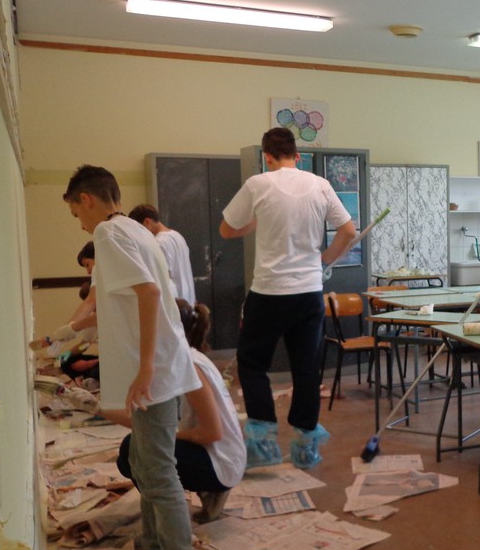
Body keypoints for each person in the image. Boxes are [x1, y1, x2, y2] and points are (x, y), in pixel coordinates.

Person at [62, 164, 202, 550]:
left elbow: (147, 293)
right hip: (156, 367)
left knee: (158, 473)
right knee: (144, 465)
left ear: (86, 199)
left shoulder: (108, 233)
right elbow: (112, 304)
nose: (79, 224)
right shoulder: (135, 230)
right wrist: (61, 337)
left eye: (75, 213)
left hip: (155, 371)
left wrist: (145, 368)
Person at [219, 127, 356, 469]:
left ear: (266, 157)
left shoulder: (258, 184)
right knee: (307, 368)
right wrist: (325, 259)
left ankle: (263, 442)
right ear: (297, 156)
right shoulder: (320, 184)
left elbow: (226, 229)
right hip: (308, 293)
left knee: (253, 364)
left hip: (269, 292)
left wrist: (255, 223)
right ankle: (305, 447)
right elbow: (348, 231)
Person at [110, 299, 246, 524]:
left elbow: (212, 433)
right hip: (210, 452)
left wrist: (167, 436)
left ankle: (174, 516)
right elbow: (144, 421)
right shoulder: (180, 359)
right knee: (134, 448)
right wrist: (92, 406)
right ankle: (171, 510)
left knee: (136, 448)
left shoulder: (187, 364)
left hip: (221, 461)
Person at [128, 204, 196, 306]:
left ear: (147, 222)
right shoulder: (178, 236)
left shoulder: (158, 243)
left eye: (138, 229)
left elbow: (162, 279)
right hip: (189, 300)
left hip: (177, 304)